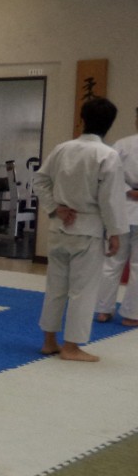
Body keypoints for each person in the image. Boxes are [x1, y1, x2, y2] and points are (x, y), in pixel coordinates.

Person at [34, 97, 127, 362]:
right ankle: (71, 347)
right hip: (88, 229)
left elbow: (40, 180)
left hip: (59, 226)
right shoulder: (107, 155)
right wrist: (115, 233)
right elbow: (110, 199)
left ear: (82, 120)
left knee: (55, 287)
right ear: (109, 125)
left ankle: (49, 341)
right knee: (82, 291)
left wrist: (55, 208)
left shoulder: (62, 148)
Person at [96, 105, 138, 326]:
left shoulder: (121, 145)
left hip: (122, 209)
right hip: (124, 208)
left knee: (112, 262)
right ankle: (132, 315)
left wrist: (128, 190)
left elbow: (108, 175)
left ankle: (104, 310)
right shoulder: (121, 145)